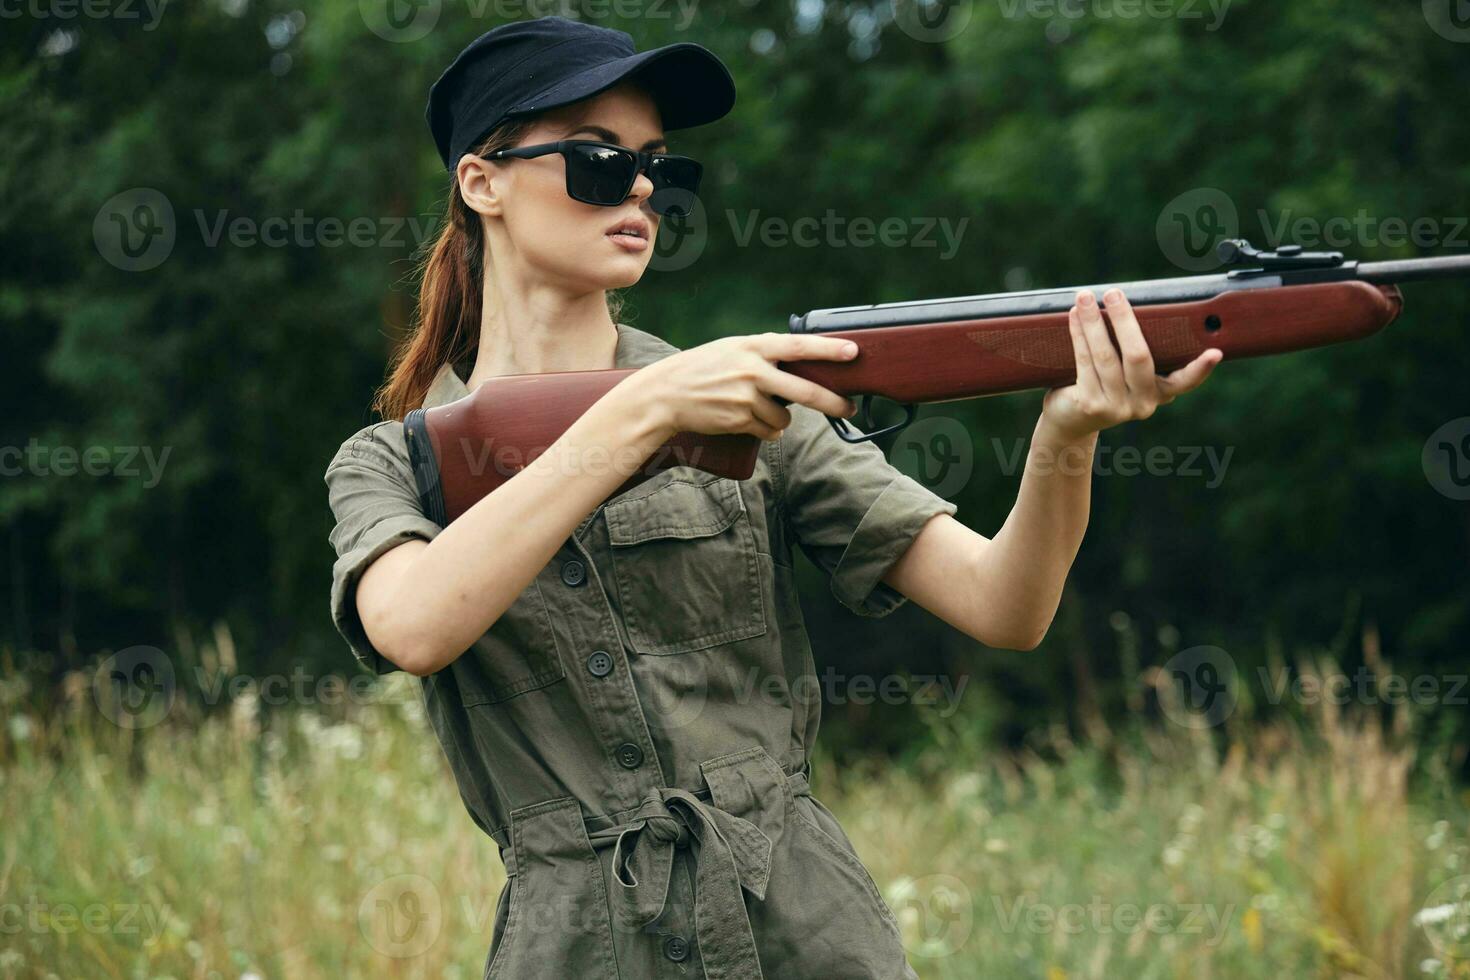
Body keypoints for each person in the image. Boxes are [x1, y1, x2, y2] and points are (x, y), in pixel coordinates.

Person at [323, 15, 1220, 979]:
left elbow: (1007, 606)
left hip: (803, 933)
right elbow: (412, 627)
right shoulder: (393, 461)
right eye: (595, 160)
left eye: (659, 168)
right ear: (481, 181)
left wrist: (1067, 437)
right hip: (576, 947)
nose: (637, 188)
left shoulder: (752, 411)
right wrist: (640, 415)